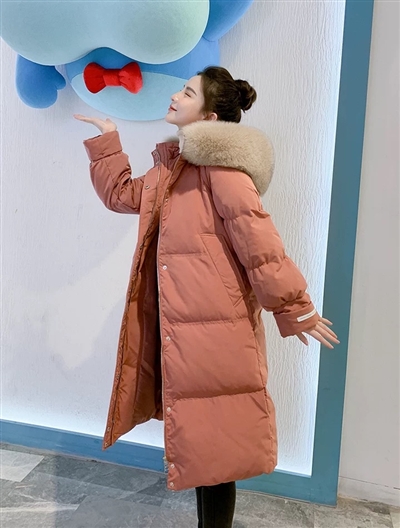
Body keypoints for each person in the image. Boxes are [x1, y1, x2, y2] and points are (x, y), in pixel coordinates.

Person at [74, 66, 339, 528]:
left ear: (210, 117)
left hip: (216, 331)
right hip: (184, 327)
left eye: (187, 92)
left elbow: (260, 244)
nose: (176, 96)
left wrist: (295, 307)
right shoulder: (172, 169)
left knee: (216, 449)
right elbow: (122, 196)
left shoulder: (222, 170)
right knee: (204, 445)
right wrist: (108, 141)